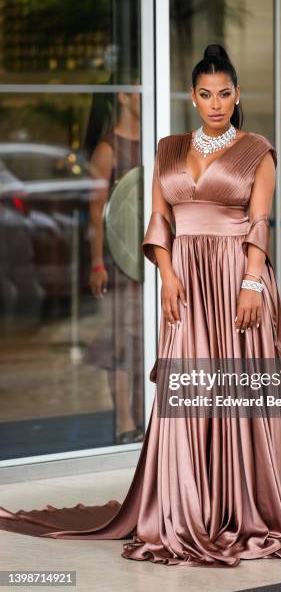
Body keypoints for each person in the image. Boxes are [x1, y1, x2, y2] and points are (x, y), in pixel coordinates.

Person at [0, 44, 281, 568]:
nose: (216, 102)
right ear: (193, 98)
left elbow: (259, 223)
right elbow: (158, 219)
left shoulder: (257, 149)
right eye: (205, 94)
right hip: (187, 282)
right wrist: (167, 274)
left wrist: (252, 285)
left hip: (239, 277)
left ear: (237, 96)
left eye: (225, 94)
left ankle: (244, 498)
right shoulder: (168, 150)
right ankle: (190, 500)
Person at [84, 86, 144, 444]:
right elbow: (95, 215)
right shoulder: (107, 149)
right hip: (119, 259)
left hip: (150, 259)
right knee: (121, 340)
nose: (146, 99)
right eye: (139, 92)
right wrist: (96, 264)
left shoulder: (155, 139)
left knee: (143, 340)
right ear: (122, 96)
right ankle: (124, 423)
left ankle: (142, 416)